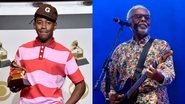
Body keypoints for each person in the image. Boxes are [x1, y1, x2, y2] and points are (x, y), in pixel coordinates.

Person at [7, 4, 86, 104]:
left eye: (48, 23)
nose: (43, 26)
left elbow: (81, 85)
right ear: (34, 24)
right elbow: (13, 78)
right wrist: (14, 85)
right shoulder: (22, 50)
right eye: (39, 22)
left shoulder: (65, 54)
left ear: (55, 26)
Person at [101, 5, 175, 104]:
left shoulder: (161, 45)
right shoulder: (120, 49)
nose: (143, 19)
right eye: (138, 16)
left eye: (147, 17)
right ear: (129, 22)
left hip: (154, 100)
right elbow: (107, 80)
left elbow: (169, 73)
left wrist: (159, 76)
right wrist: (110, 94)